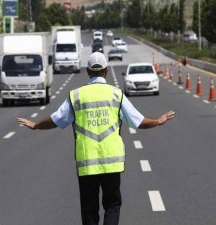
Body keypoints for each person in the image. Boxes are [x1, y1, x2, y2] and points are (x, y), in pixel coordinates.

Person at [17, 52, 175, 225]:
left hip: (87, 162)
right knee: (112, 205)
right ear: (106, 71)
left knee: (89, 211)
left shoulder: (76, 96)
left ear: (88, 72)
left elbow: (55, 120)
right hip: (112, 163)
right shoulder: (116, 94)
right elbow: (138, 121)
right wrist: (158, 121)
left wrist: (35, 125)